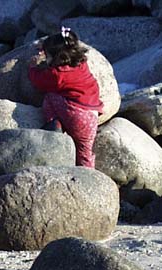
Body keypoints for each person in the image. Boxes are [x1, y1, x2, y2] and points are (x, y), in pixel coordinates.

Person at [28, 27, 104, 168]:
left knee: (50, 97)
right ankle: (89, 176)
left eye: (48, 55)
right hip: (92, 113)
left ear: (57, 58)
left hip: (76, 115)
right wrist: (46, 47)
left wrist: (32, 67)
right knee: (85, 151)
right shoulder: (81, 63)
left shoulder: (57, 75)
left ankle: (54, 123)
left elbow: (38, 80)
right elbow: (64, 46)